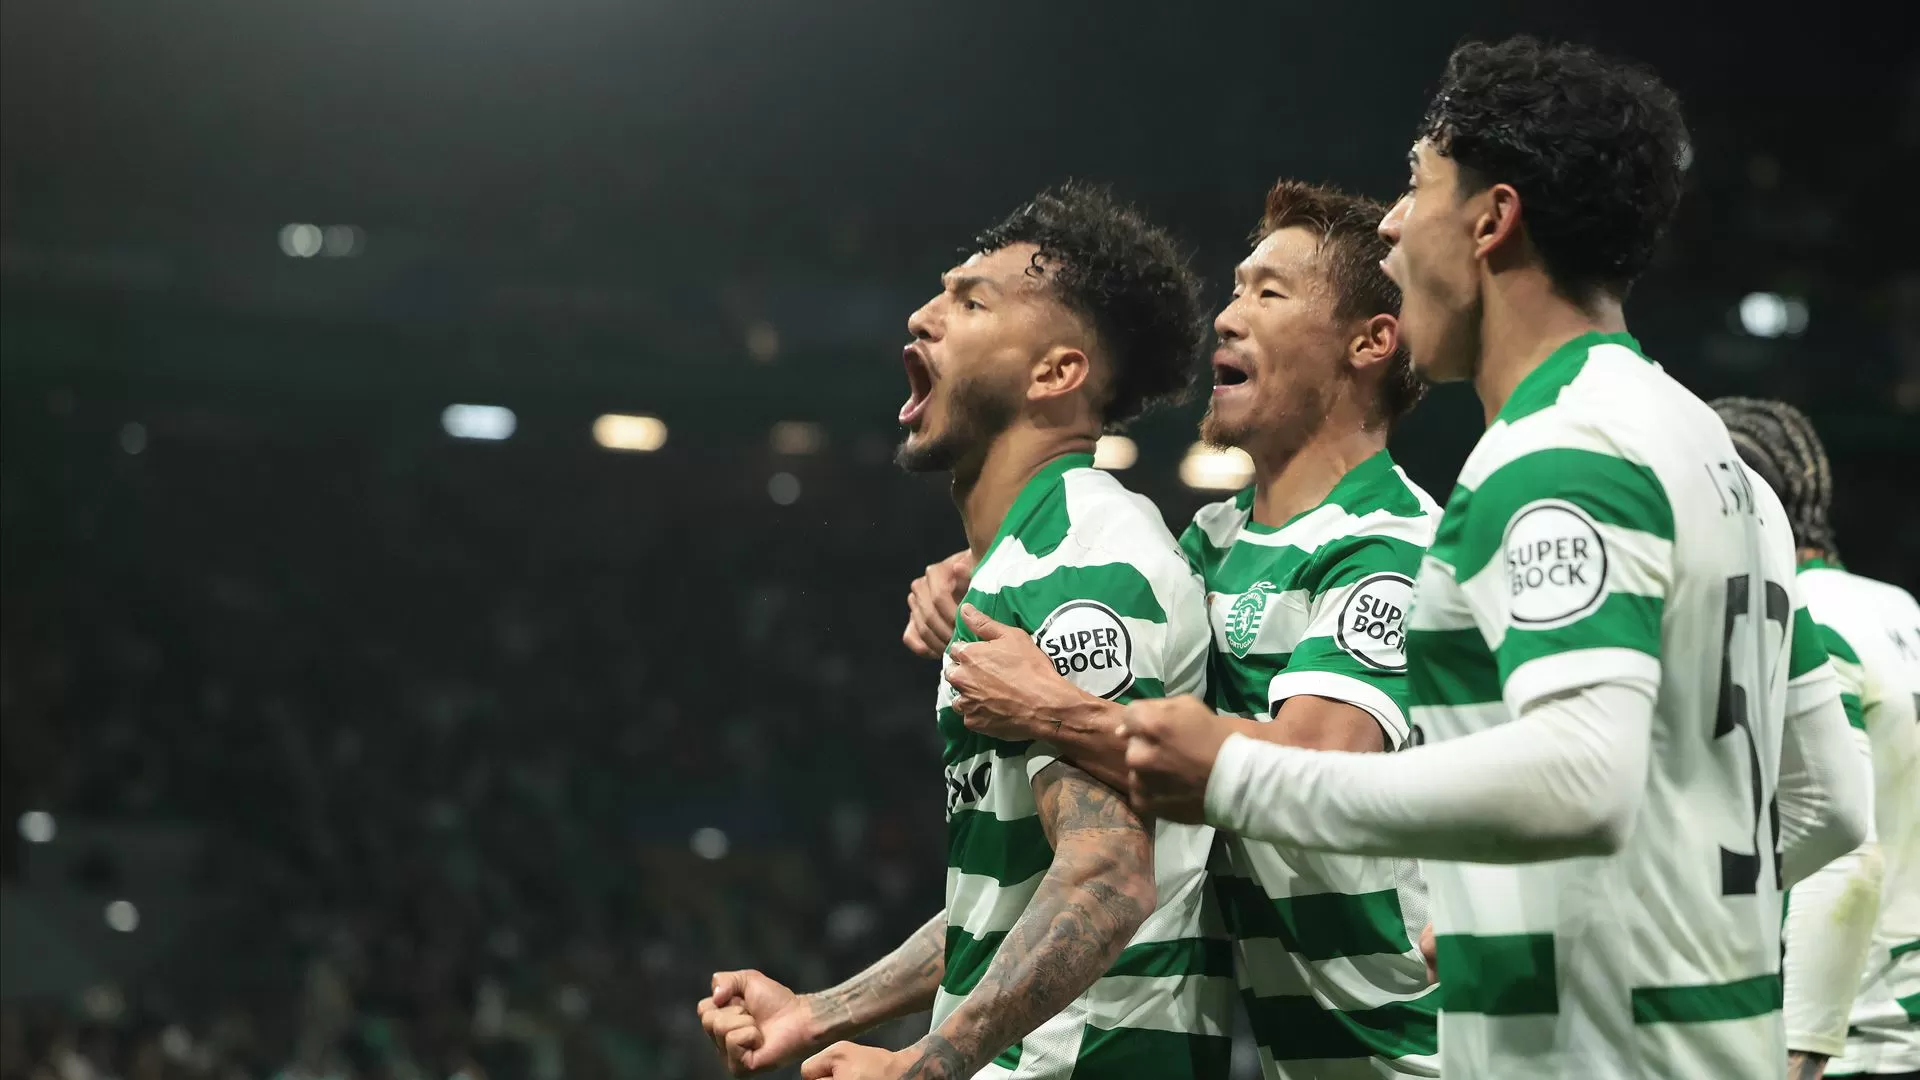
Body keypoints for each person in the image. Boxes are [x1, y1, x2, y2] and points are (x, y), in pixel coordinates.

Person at [1115, 37, 1872, 1078]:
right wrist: (1533, 909)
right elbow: (1830, 802)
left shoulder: (1558, 451)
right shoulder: (1718, 456)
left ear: (1491, 219)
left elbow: (1581, 777)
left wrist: (1238, 774)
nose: (1390, 224)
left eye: (1416, 184)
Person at [903, 179, 1443, 1077]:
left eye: (1270, 292)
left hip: (1425, 1051)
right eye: (1235, 289)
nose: (1228, 317)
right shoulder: (1211, 545)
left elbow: (1320, 765)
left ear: (1369, 343)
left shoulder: (1392, 543)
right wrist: (987, 568)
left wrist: (1062, 712)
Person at [697, 185, 1233, 1080]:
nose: (923, 315)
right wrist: (819, 1012)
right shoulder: (1023, 562)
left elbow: (1107, 880)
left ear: (1055, 373)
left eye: (971, 302)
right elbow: (1007, 905)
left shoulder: (1083, 560)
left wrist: (922, 1066)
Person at [1714, 396, 1919, 1080]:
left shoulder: (1804, 619)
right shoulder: (1896, 607)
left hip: (1860, 1030)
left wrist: (1803, 1048)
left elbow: (1845, 848)